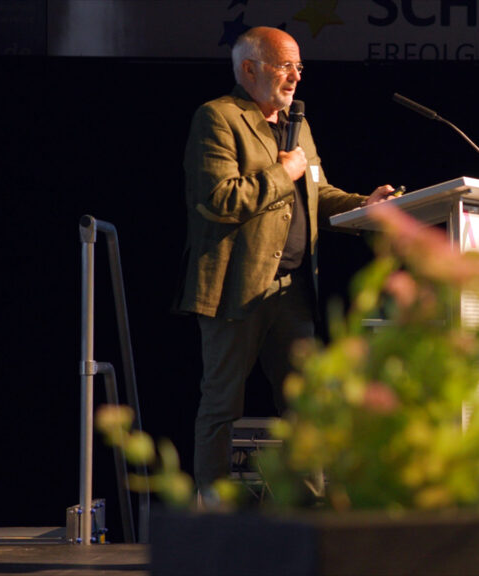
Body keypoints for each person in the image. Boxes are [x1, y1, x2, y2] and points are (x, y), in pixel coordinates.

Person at [173, 26, 395, 493]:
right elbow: (219, 200)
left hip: (293, 290)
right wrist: (283, 170)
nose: (295, 76)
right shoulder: (218, 118)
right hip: (237, 288)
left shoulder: (298, 124)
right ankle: (211, 516)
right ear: (249, 68)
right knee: (221, 406)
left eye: (299, 67)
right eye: (284, 65)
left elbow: (318, 192)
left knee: (306, 407)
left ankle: (309, 514)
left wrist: (365, 204)